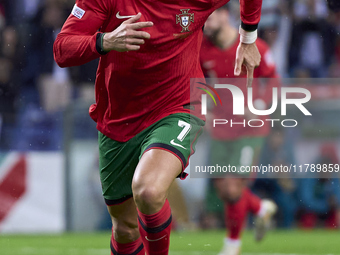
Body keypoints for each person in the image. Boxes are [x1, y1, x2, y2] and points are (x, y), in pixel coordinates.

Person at [53, 0, 262, 254]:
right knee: (125, 228)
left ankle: (234, 238)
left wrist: (248, 37)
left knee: (149, 191)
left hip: (178, 106)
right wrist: (104, 40)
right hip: (119, 118)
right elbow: (62, 49)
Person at [200, 6, 277, 255]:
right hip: (222, 128)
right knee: (224, 189)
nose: (205, 23)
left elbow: (274, 79)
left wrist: (260, 104)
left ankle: (232, 244)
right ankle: (259, 208)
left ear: (224, 14)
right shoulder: (202, 48)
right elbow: (195, 82)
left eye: (209, 17)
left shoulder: (256, 46)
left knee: (233, 187)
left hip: (250, 128)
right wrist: (205, 112)